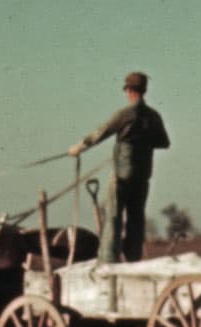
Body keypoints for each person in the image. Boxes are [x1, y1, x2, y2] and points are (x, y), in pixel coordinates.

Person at [67, 71, 169, 266]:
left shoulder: (125, 114)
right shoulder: (154, 116)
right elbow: (164, 142)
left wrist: (79, 147)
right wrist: (142, 142)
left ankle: (107, 261)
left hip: (123, 175)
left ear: (129, 90)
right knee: (136, 219)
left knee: (112, 215)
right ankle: (133, 259)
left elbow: (102, 132)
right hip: (143, 176)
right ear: (144, 90)